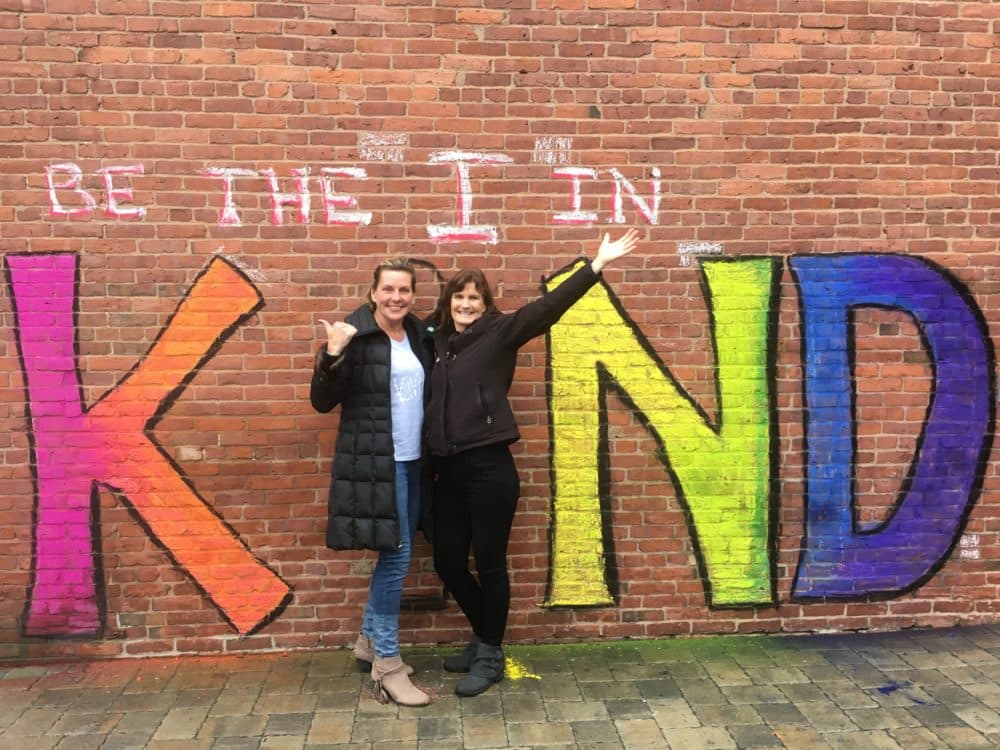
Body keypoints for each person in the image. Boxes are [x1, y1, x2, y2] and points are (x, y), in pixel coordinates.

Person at [425, 229, 641, 697]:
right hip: (444, 471)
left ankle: (487, 653)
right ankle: (485, 636)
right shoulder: (435, 343)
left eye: (474, 298)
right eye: (459, 297)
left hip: (489, 468)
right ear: (448, 302)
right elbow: (390, 328)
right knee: (447, 561)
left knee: (489, 562)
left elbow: (547, 310)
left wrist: (595, 265)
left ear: (485, 303)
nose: (466, 305)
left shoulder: (501, 332)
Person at [310, 257, 432, 707]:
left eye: (404, 290)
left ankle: (367, 641)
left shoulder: (417, 333)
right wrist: (332, 353)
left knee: (395, 554)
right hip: (380, 464)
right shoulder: (353, 334)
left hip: (414, 460)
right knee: (396, 562)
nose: (396, 297)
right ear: (373, 292)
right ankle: (387, 664)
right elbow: (322, 401)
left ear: (412, 295)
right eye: (388, 290)